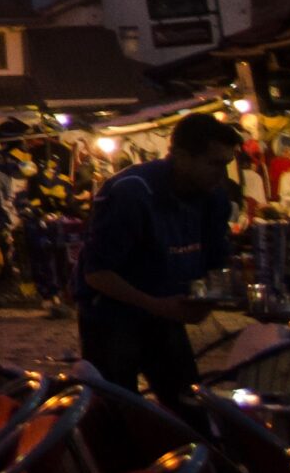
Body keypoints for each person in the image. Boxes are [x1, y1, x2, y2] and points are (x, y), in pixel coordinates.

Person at [75, 111, 241, 418]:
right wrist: (158, 305)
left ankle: (189, 462)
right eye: (213, 163)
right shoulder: (132, 193)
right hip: (113, 316)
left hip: (165, 313)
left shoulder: (212, 196)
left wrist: (216, 296)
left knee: (190, 409)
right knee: (117, 415)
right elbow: (97, 273)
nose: (222, 175)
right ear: (179, 156)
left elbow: (217, 260)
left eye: (226, 164)